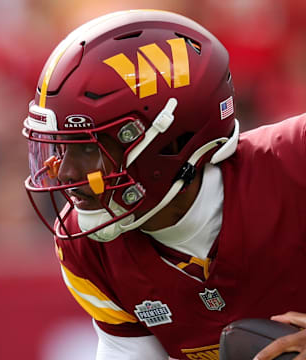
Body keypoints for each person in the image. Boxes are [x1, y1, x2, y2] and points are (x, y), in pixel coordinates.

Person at [22, 9, 306, 360]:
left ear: (169, 143)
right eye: (61, 148)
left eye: (87, 149)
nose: (65, 173)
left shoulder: (295, 162)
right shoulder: (91, 250)